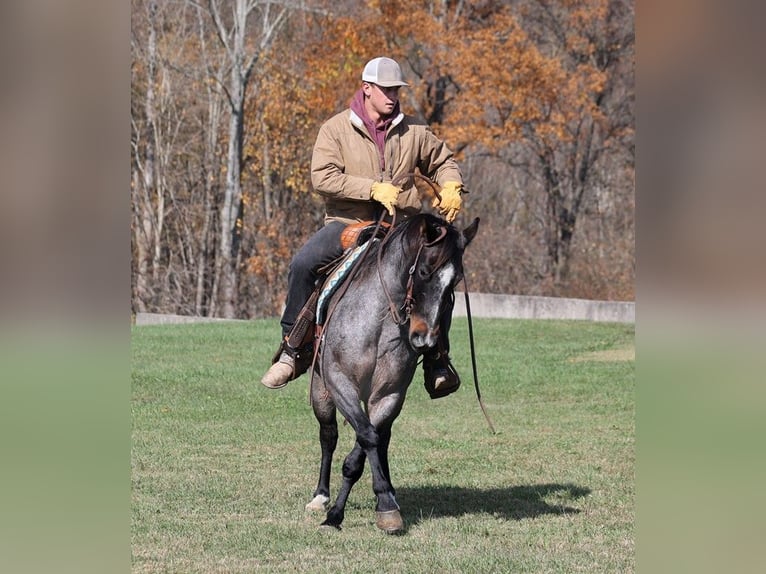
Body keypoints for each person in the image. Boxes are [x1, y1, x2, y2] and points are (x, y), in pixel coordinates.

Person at [260, 56, 465, 398]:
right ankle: (293, 350)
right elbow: (322, 177)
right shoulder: (336, 129)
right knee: (302, 264)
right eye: (385, 89)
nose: (392, 96)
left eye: (396, 90)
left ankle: (437, 361)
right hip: (349, 223)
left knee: (439, 277)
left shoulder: (414, 130)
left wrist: (451, 185)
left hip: (402, 229)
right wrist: (370, 188)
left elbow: (443, 161)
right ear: (366, 89)